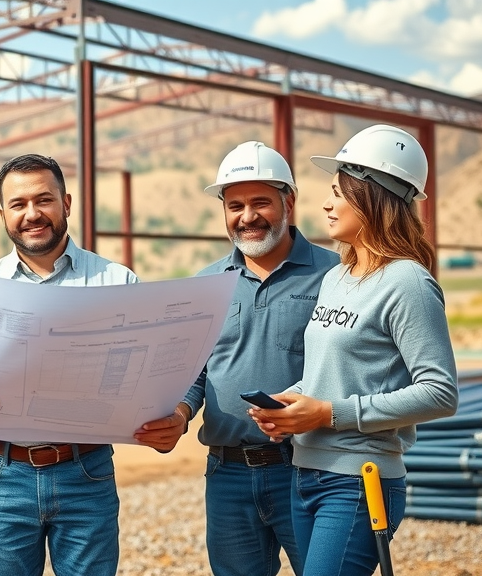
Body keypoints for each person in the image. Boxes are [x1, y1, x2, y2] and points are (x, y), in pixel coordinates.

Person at [0, 153, 187, 576]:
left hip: (86, 473)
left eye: (43, 200)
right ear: (2, 214)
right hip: (2, 475)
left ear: (66, 203)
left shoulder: (117, 282)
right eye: (18, 204)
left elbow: (162, 371)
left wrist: (174, 414)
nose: (32, 214)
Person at [250, 124, 458, 575]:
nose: (326, 203)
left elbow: (440, 392)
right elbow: (329, 372)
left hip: (361, 482)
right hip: (304, 475)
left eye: (339, 192)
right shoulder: (336, 278)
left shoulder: (408, 283)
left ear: (374, 198)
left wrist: (326, 413)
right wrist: (291, 402)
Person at [139, 141, 340, 576]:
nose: (246, 216)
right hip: (227, 475)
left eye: (260, 202)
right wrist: (179, 410)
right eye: (235, 205)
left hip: (308, 469)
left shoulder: (335, 276)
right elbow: (194, 372)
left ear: (289, 201)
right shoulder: (207, 282)